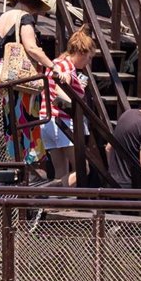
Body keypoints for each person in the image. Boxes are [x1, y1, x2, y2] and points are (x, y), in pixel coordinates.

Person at [0, 0, 61, 164]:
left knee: (10, 119)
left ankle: (13, 159)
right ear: (33, 3)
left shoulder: (0, 17)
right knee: (27, 117)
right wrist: (53, 66)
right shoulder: (25, 18)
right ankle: (29, 161)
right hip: (20, 77)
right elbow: (31, 48)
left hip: (1, 73)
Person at [39, 25, 95, 186]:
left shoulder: (57, 63)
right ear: (81, 53)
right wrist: (76, 102)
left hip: (47, 119)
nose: (88, 62)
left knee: (61, 170)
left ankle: (61, 204)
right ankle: (49, 191)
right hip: (61, 120)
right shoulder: (67, 68)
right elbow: (60, 92)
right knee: (83, 168)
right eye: (89, 58)